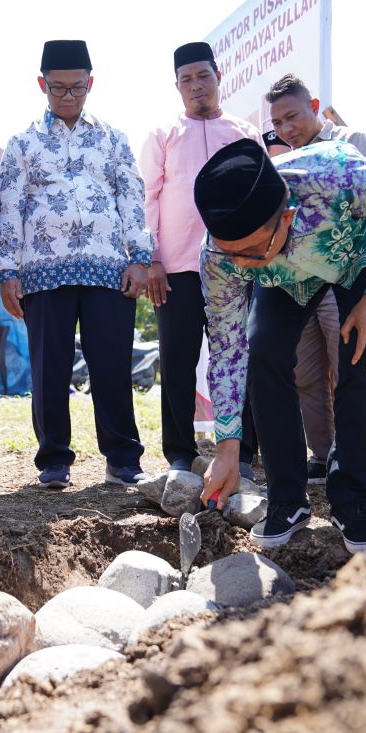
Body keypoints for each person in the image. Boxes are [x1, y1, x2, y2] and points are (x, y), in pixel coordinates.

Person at [195, 139, 366, 552]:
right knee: (263, 348)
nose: (242, 266)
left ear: (287, 217)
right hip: (286, 278)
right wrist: (227, 445)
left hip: (355, 251)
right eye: (231, 255)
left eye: (252, 252)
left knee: (363, 350)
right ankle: (287, 499)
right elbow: (228, 349)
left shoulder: (339, 179)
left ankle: (352, 501)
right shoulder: (223, 256)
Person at [0, 40, 153, 489]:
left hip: (109, 267)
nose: (68, 97)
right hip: (43, 271)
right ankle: (54, 460)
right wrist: (9, 271)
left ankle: (123, 458)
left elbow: (131, 199)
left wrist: (140, 259)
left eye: (77, 89)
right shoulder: (23, 143)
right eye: (59, 89)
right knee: (50, 366)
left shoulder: (112, 138)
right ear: (42, 84)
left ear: (91, 84)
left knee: (112, 365)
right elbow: (9, 208)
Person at [140, 41, 261, 479]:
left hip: (237, 264)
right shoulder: (162, 135)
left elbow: (260, 197)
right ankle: (178, 449)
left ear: (218, 77)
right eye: (186, 79)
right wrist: (152, 259)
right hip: (177, 267)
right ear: (177, 86)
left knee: (238, 355)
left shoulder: (244, 133)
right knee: (177, 356)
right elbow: (146, 199)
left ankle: (244, 450)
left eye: (202, 76)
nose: (195, 86)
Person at [266, 73, 366, 485]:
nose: (286, 129)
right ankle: (321, 455)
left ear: (315, 107)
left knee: (350, 366)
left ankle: (352, 461)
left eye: (292, 117)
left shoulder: (354, 143)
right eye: (277, 124)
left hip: (348, 280)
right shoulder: (286, 162)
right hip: (299, 286)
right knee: (306, 373)